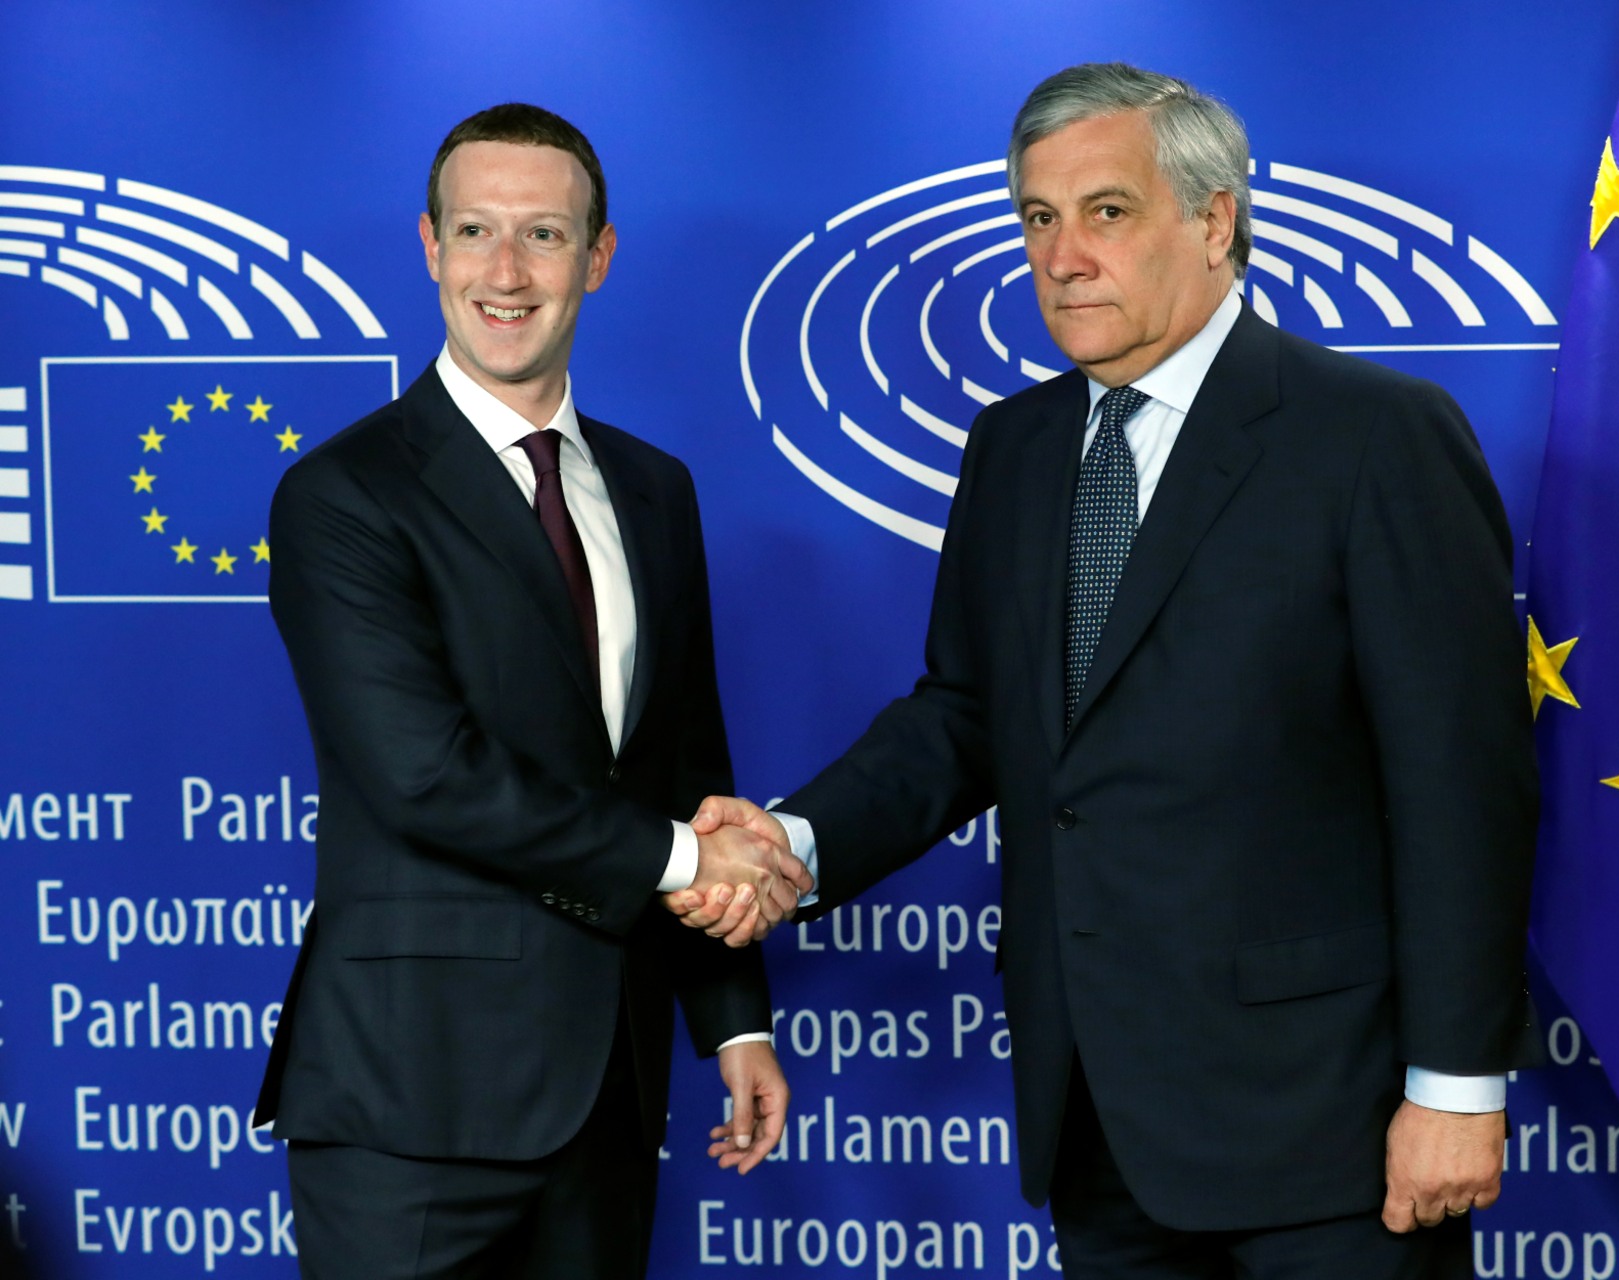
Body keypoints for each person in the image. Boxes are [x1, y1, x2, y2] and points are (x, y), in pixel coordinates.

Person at [676, 64, 1539, 1279]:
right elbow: (968, 715)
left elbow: (1462, 782)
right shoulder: (1016, 447)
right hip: (1099, 1121)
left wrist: (1457, 1083)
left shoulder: (1373, 435)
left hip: (1329, 1133)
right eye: (1038, 217)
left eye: (1108, 211)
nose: (1063, 254)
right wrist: (795, 842)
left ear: (1214, 220)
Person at [254, 103, 811, 1279]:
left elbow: (687, 771)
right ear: (430, 246)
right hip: (410, 1105)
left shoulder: (657, 491)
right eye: (475, 232)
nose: (505, 273)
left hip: (607, 1086)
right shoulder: (343, 495)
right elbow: (423, 773)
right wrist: (684, 860)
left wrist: (734, 1017)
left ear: (598, 257)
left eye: (544, 236)